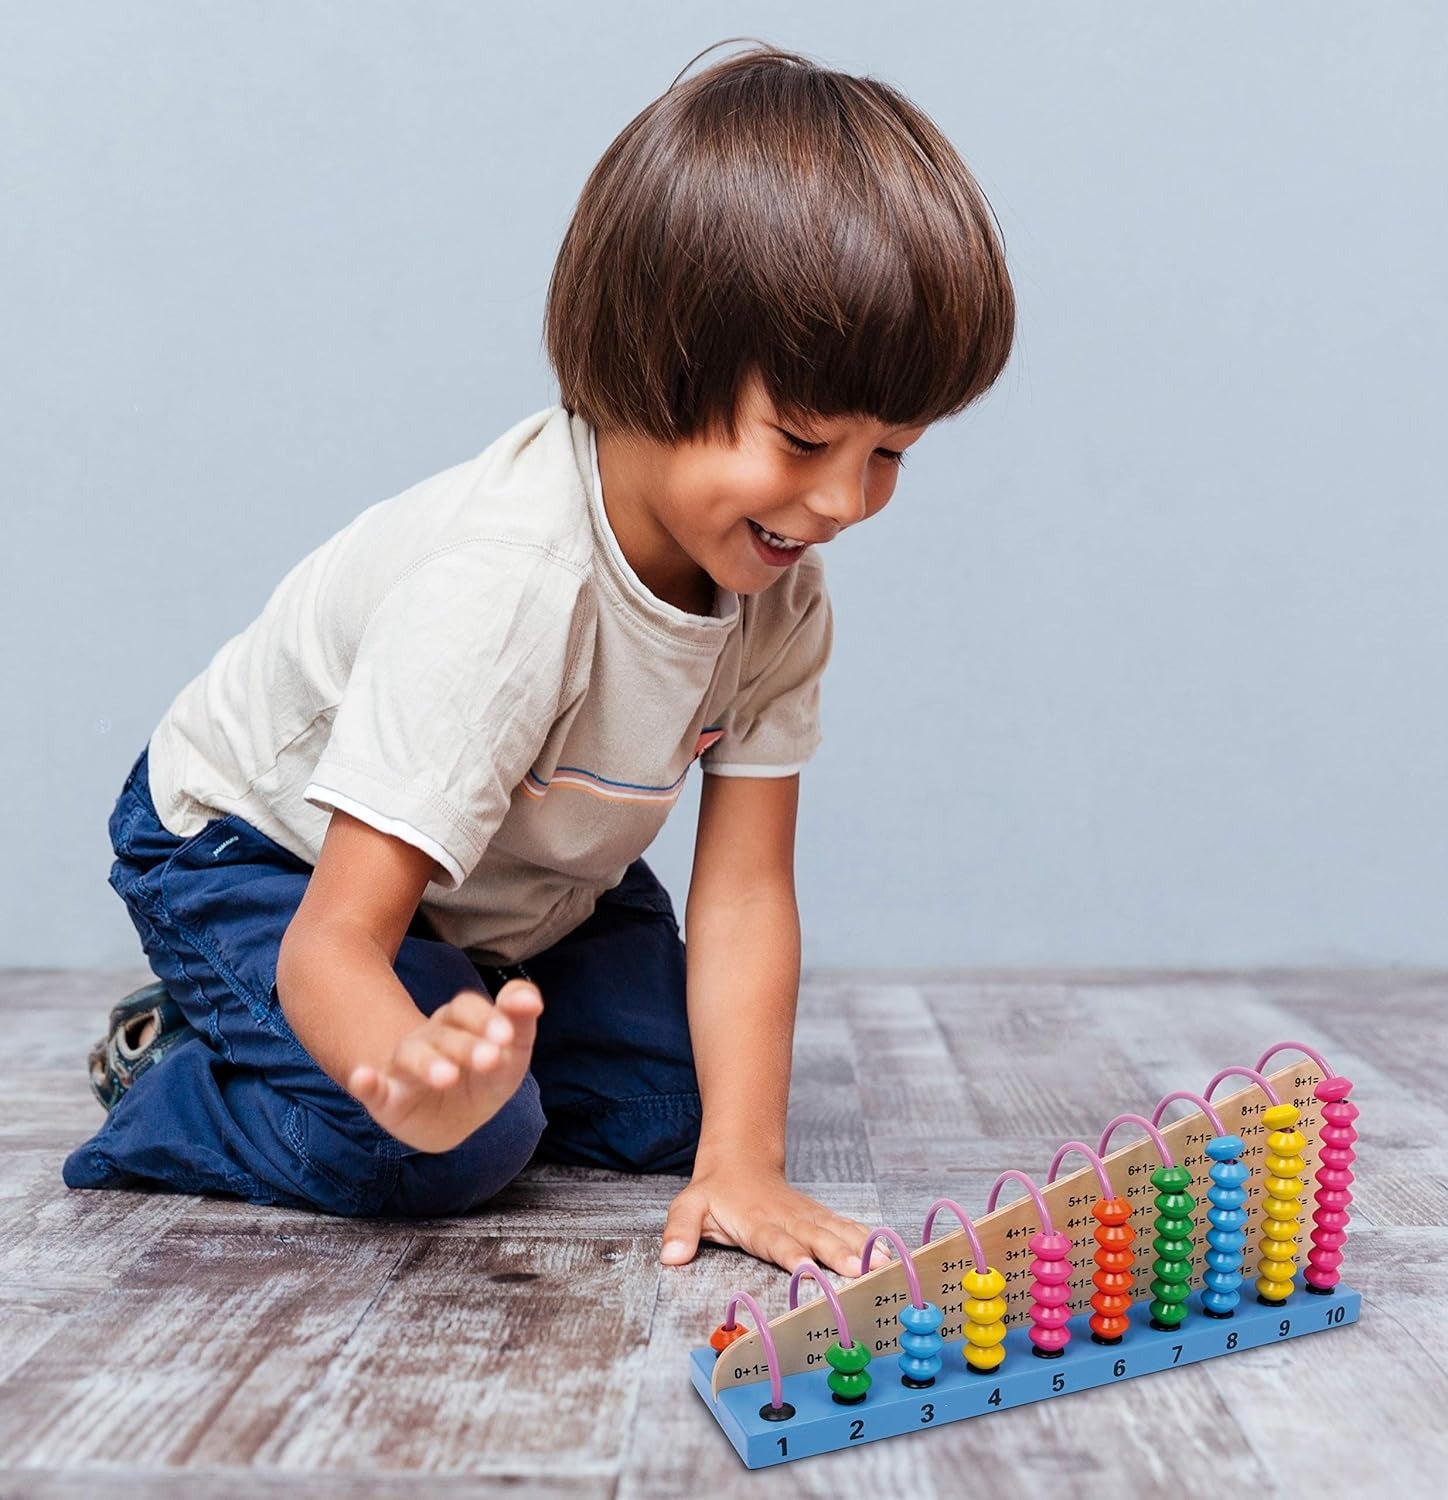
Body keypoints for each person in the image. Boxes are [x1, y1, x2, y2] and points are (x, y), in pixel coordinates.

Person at [63, 39, 1015, 1278]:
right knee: (454, 1148)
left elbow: (741, 891)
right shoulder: (507, 592)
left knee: (684, 1115)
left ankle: (462, 1018)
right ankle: (179, 1069)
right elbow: (333, 943)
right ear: (652, 369)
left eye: (891, 452)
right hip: (266, 859)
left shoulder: (777, 596)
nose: (842, 503)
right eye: (801, 440)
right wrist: (412, 1087)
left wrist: (745, 1158)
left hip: (519, 873)